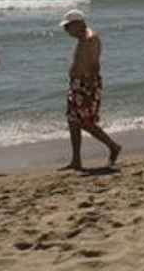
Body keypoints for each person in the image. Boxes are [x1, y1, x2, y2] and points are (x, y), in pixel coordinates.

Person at [59, 9, 122, 171]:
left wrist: (89, 87)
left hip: (86, 85)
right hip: (77, 84)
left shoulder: (90, 38)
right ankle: (76, 161)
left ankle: (113, 146)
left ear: (78, 24)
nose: (66, 31)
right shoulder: (82, 38)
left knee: (86, 122)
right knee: (73, 121)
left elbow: (94, 65)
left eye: (68, 27)